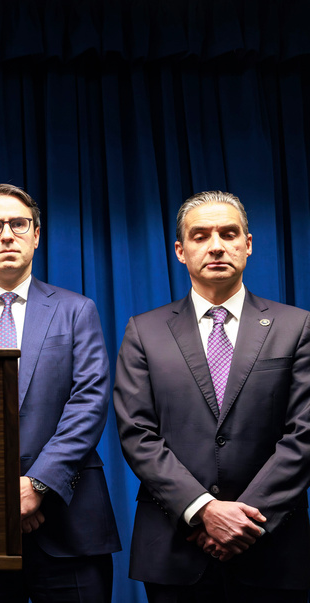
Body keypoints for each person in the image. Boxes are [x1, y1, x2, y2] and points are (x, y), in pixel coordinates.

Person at [114, 190, 310, 602]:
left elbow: (303, 435)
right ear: (181, 251)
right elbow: (137, 434)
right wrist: (204, 511)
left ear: (248, 244)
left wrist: (243, 522)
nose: (216, 245)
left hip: (272, 548)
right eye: (201, 236)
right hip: (175, 548)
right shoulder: (144, 332)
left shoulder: (297, 326)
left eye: (228, 233)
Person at [0, 184, 120, 602]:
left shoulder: (77, 311)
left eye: (19, 224)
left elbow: (88, 403)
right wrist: (4, 496)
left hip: (70, 523)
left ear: (37, 234)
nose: (8, 235)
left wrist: (37, 486)